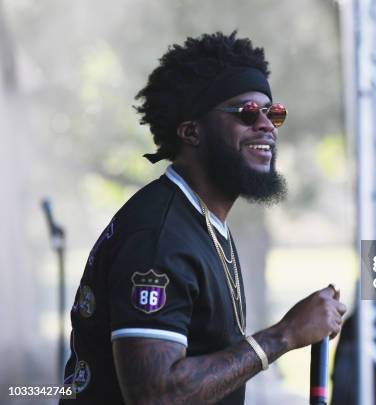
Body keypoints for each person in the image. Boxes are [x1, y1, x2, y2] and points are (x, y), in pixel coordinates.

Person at [60, 31, 347, 404]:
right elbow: (156, 395)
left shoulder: (205, 224)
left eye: (273, 114)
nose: (265, 126)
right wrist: (284, 335)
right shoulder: (159, 237)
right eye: (247, 112)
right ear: (192, 131)